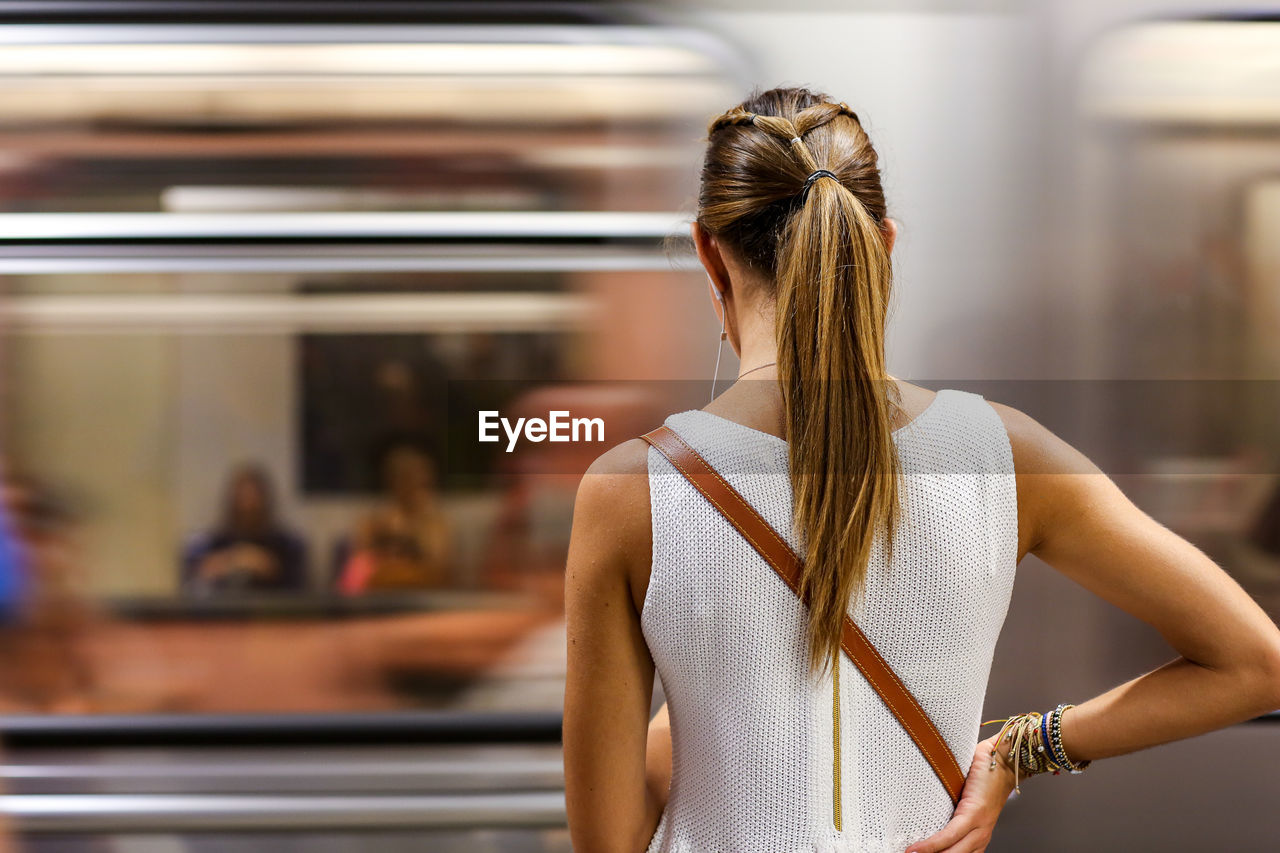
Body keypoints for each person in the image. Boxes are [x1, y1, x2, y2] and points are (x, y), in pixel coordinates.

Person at [561, 86, 1280, 853]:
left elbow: (611, 839)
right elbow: (1255, 662)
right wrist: (1019, 749)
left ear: (710, 252)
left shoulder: (628, 491)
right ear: (883, 244)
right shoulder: (1005, 456)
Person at [337, 442, 452, 594]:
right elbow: (360, 570)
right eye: (406, 479)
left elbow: (439, 572)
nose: (414, 488)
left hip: (423, 601)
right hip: (379, 600)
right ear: (393, 483)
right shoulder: (374, 521)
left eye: (421, 482)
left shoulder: (437, 524)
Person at [181, 463, 309, 596]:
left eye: (253, 498)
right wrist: (232, 561)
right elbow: (193, 587)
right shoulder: (213, 542)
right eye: (241, 497)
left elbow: (299, 592)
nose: (247, 505)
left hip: (272, 612)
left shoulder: (285, 544)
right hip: (223, 611)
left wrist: (268, 566)